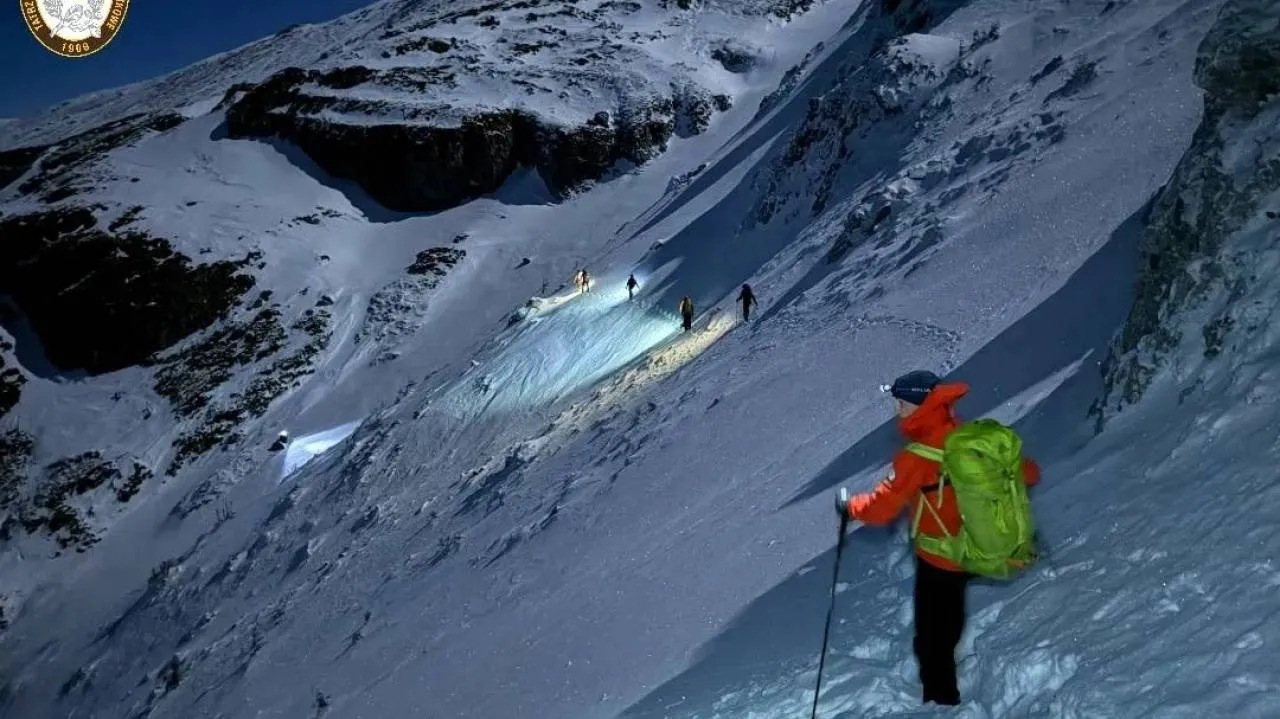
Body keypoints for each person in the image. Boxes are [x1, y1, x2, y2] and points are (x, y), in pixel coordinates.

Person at [835, 370, 1040, 707]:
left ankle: (941, 705)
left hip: (940, 557)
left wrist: (849, 508)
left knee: (934, 641)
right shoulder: (969, 438)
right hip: (979, 541)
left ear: (919, 405)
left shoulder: (915, 457)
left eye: (901, 403)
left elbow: (881, 509)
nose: (896, 409)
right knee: (949, 623)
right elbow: (1026, 471)